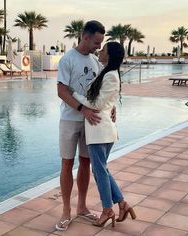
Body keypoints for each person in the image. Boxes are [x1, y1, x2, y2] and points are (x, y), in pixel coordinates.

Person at [71, 42, 136, 227]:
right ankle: (122, 204)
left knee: (99, 171)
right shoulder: (106, 72)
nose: (100, 51)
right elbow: (103, 100)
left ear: (110, 55)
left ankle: (107, 210)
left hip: (100, 130)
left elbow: (97, 103)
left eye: (104, 50)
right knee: (102, 170)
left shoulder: (111, 76)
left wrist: (74, 94)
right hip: (100, 130)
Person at [56, 20, 106, 231]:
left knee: (86, 163)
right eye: (96, 42)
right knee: (67, 164)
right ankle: (66, 210)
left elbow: (101, 91)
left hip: (90, 122)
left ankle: (82, 207)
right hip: (70, 119)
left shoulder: (96, 61)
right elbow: (61, 90)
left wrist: (109, 107)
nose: (99, 47)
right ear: (85, 37)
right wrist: (82, 109)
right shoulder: (67, 59)